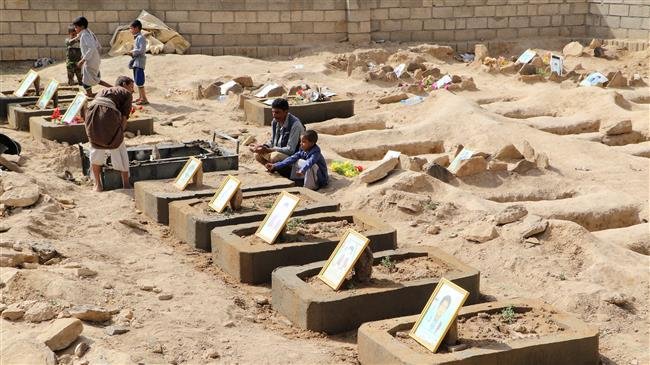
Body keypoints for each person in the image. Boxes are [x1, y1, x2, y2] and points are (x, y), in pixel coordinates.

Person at [83, 76, 134, 192]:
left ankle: (97, 185)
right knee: (120, 149)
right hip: (108, 115)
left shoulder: (103, 90)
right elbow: (124, 117)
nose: (132, 90)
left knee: (96, 147)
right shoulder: (126, 93)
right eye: (131, 87)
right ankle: (126, 184)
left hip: (91, 116)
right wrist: (120, 132)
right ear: (124, 84)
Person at [249, 98, 304, 171]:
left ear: (286, 112)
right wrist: (262, 147)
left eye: (277, 112)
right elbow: (272, 141)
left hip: (293, 156)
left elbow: (291, 150)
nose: (274, 115)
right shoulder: (275, 122)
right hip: (276, 152)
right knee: (257, 154)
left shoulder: (295, 125)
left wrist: (269, 150)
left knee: (275, 156)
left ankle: (278, 169)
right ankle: (270, 167)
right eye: (273, 112)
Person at [72, 16, 111, 97]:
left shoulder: (85, 35)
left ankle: (107, 91)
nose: (75, 29)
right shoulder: (87, 32)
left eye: (76, 27)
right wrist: (75, 39)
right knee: (93, 78)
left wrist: (82, 60)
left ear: (81, 27)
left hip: (90, 60)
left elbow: (91, 48)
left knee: (87, 80)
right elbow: (95, 44)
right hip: (93, 58)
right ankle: (111, 88)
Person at [126, 19, 148, 105]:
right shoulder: (137, 38)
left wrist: (132, 52)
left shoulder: (141, 37)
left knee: (140, 81)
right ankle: (140, 97)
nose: (130, 30)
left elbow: (141, 50)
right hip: (136, 61)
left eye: (131, 28)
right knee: (137, 80)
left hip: (139, 62)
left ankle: (144, 98)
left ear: (137, 28)